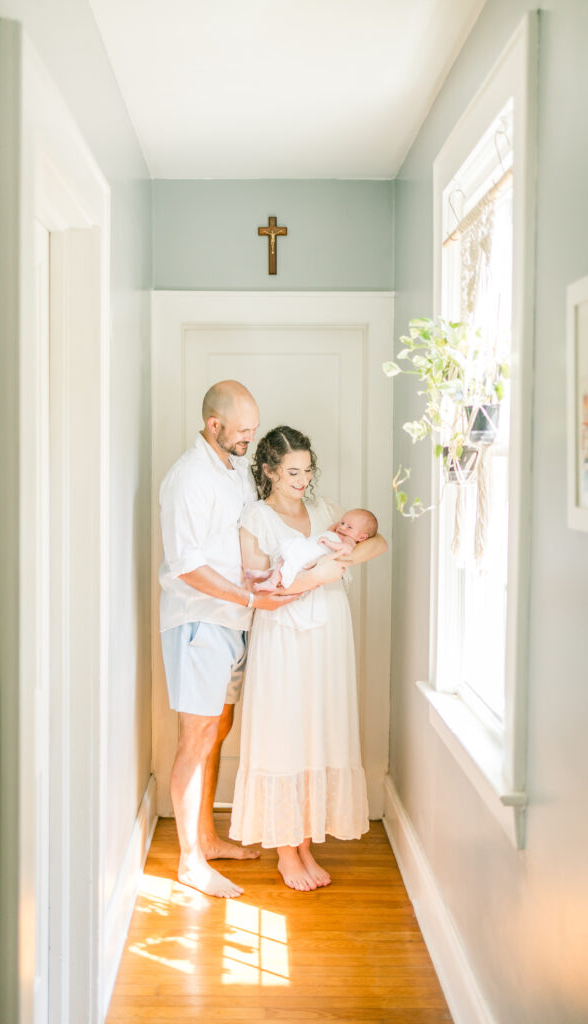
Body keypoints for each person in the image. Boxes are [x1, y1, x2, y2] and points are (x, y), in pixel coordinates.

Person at [158, 381, 301, 899]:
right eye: (243, 431)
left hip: (233, 622)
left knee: (219, 729)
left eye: (254, 428)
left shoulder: (234, 469)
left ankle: (208, 838)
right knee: (196, 738)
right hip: (199, 623)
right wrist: (249, 600)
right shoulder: (187, 479)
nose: (251, 438)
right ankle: (190, 863)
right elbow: (187, 566)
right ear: (214, 426)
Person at [229, 426, 387, 891]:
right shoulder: (256, 518)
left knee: (320, 726)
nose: (301, 480)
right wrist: (318, 575)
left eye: (307, 470)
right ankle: (285, 850)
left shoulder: (327, 512)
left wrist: (345, 558)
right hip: (283, 635)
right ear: (269, 471)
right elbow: (256, 586)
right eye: (292, 472)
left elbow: (377, 542)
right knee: (285, 730)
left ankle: (304, 844)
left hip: (330, 634)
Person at [249, 507, 378, 591]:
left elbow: (346, 550)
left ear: (362, 537)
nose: (343, 527)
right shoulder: (341, 533)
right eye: (342, 523)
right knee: (288, 554)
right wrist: (335, 529)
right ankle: (269, 575)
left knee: (292, 555)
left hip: (316, 551)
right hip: (312, 546)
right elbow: (331, 530)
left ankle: (272, 581)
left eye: (349, 527)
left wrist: (330, 542)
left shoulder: (349, 540)